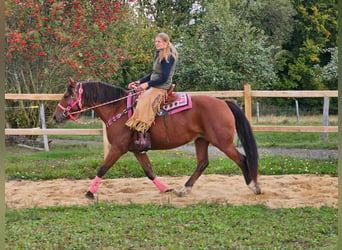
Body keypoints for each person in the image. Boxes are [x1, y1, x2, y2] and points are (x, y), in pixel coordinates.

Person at [125, 32, 178, 152]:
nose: (156, 43)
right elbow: (153, 74)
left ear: (166, 43)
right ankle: (138, 131)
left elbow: (164, 77)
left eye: (159, 41)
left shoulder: (169, 57)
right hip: (155, 85)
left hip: (162, 87)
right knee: (136, 97)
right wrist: (139, 82)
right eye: (156, 41)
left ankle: (143, 136)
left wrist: (147, 84)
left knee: (144, 100)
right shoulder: (159, 54)